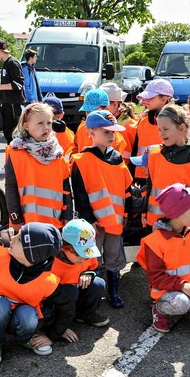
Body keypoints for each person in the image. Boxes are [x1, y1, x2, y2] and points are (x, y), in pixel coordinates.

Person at [0, 223, 77, 366]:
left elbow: (67, 307)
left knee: (28, 312)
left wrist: (52, 335)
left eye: (20, 238)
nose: (13, 238)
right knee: (0, 304)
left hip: (20, 320)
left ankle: (25, 338)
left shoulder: (47, 281)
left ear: (32, 254)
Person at [136, 184, 190, 334]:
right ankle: (160, 309)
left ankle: (185, 304)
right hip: (167, 289)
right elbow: (155, 277)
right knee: (181, 303)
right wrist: (182, 285)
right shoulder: (154, 241)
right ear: (178, 212)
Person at [71, 110, 133, 308]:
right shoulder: (82, 160)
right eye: (105, 132)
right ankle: (93, 295)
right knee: (92, 257)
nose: (111, 136)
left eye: (113, 132)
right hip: (94, 223)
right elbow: (80, 195)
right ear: (91, 133)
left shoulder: (117, 159)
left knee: (114, 257)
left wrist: (125, 214)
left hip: (115, 220)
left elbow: (126, 191)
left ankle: (114, 292)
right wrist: (89, 218)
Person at [133, 103, 190, 227]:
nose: (161, 134)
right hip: (154, 224)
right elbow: (151, 188)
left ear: (182, 128)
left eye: (166, 129)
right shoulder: (155, 154)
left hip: (181, 226)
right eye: (159, 130)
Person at [4, 102, 72, 229]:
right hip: (27, 224)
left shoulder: (57, 153)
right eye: (40, 123)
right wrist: (16, 219)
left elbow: (66, 188)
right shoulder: (16, 152)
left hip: (55, 223)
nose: (46, 127)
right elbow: (10, 188)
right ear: (27, 126)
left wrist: (67, 216)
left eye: (49, 123)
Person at [50, 218, 109, 327]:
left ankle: (85, 314)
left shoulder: (86, 257)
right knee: (70, 291)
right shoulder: (52, 261)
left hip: (78, 290)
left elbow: (94, 268)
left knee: (98, 283)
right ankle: (58, 321)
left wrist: (89, 273)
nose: (84, 258)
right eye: (79, 253)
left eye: (87, 253)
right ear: (65, 247)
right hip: (60, 300)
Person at [132, 79, 175, 182]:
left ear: (164, 99)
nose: (144, 101)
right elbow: (136, 149)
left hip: (166, 177)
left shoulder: (177, 122)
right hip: (143, 177)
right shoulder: (143, 122)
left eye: (149, 97)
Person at [0, 39, 25, 146]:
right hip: (7, 104)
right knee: (8, 134)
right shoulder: (6, 63)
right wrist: (0, 96)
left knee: (12, 135)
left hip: (13, 105)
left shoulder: (12, 63)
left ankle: (13, 160)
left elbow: (18, 84)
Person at [73, 89, 128, 157]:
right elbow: (75, 148)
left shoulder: (114, 138)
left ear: (106, 109)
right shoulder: (82, 127)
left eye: (94, 111)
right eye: (87, 111)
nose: (90, 115)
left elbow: (117, 163)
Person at [43, 95, 75, 159]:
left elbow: (66, 151)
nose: (51, 116)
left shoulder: (68, 133)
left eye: (54, 112)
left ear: (62, 115)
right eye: (47, 112)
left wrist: (61, 133)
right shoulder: (33, 129)